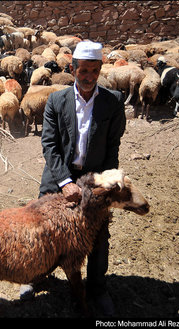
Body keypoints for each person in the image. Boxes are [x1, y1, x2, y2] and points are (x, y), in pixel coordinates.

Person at [20, 41, 126, 316]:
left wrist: (104, 182)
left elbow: (113, 145)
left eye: (94, 71)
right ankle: (37, 274)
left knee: (98, 232)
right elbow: (49, 145)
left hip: (94, 176)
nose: (89, 77)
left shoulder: (113, 101)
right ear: (73, 69)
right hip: (60, 173)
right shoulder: (57, 100)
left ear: (100, 69)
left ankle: (97, 288)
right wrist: (65, 181)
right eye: (83, 71)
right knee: (43, 228)